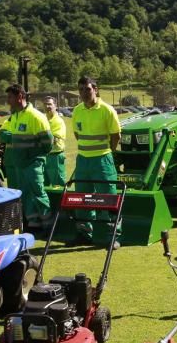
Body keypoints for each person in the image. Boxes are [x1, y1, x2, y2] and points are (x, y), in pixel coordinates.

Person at [71, 76, 121, 243]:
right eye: (81, 90)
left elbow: (116, 135)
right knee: (81, 198)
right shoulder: (77, 110)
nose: (84, 93)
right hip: (83, 160)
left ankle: (113, 236)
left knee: (108, 198)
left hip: (102, 160)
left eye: (87, 89)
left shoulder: (107, 110)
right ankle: (84, 234)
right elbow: (77, 134)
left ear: (95, 89)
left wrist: (107, 152)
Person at [0, 84, 52, 228]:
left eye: (10, 97)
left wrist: (33, 156)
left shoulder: (36, 116)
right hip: (20, 164)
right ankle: (33, 224)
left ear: (20, 97)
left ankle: (48, 225)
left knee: (38, 194)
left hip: (33, 163)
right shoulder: (15, 116)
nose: (8, 100)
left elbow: (48, 144)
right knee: (26, 196)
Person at [42, 96, 67, 187]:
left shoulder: (58, 121)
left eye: (50, 104)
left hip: (55, 156)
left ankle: (59, 201)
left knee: (58, 185)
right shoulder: (43, 119)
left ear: (55, 106)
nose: (47, 106)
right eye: (45, 104)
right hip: (44, 156)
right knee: (43, 185)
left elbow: (54, 139)